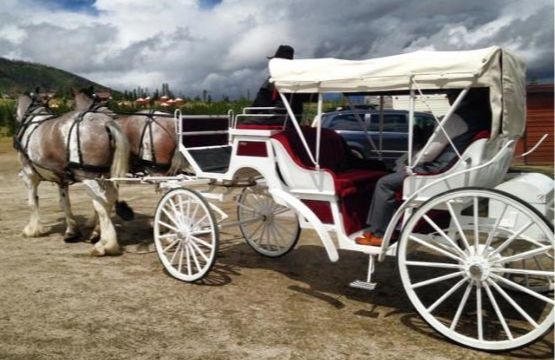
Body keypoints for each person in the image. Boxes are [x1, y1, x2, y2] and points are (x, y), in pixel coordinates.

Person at [356, 88, 491, 246]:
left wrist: (411, 163)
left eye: (450, 94)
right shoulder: (483, 116)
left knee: (385, 183)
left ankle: (379, 233)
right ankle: (388, 224)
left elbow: (428, 153)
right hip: (458, 167)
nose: (448, 98)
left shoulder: (457, 118)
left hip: (440, 169)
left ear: (460, 96)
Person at [244, 45, 309, 125]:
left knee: (245, 124)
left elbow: (261, 99)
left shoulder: (274, 78)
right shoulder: (297, 78)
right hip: (295, 118)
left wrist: (252, 111)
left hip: (279, 117)